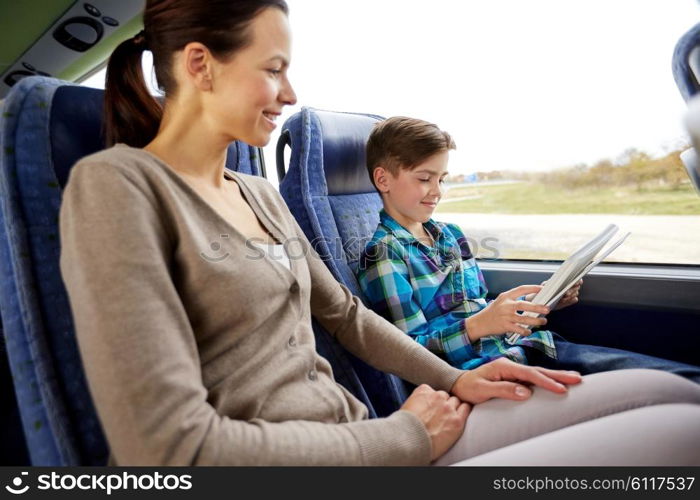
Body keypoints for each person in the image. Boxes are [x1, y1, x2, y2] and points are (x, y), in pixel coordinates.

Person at [58, 0, 700, 466]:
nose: (290, 93)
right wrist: (404, 437)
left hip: (365, 442)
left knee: (675, 397)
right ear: (201, 65)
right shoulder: (118, 186)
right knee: (682, 441)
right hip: (350, 455)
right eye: (275, 68)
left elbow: (347, 316)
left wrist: (455, 382)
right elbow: (167, 449)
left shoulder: (256, 193)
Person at [357, 116, 700, 385]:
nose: (437, 191)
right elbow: (409, 354)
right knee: (667, 389)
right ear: (384, 180)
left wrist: (535, 304)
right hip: (489, 372)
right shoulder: (385, 255)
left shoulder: (450, 235)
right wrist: (480, 325)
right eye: (423, 178)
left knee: (675, 377)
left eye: (442, 178)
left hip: (532, 347)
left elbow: (472, 308)